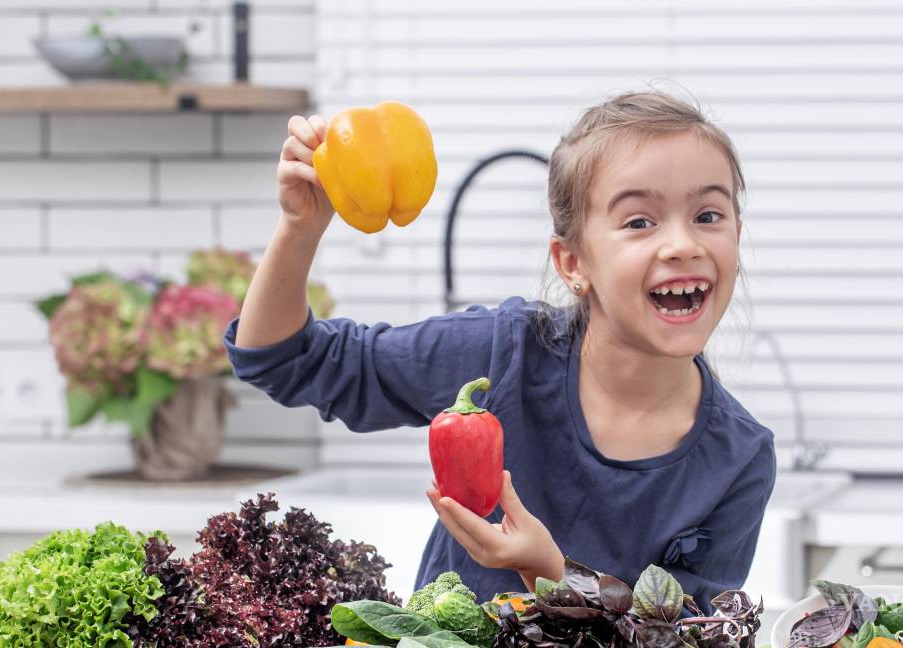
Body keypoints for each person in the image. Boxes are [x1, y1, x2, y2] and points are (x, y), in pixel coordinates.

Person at [223, 90, 777, 610]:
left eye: (709, 215)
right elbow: (281, 358)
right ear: (572, 264)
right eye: (639, 221)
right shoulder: (502, 355)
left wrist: (550, 573)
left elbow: (690, 637)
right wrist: (301, 226)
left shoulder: (739, 459)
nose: (683, 244)